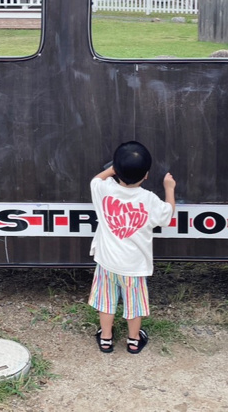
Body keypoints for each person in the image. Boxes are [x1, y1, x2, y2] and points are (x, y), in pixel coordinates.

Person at [87, 141, 175, 355]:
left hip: (107, 263)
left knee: (106, 303)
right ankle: (133, 340)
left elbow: (96, 179)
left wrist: (113, 169)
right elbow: (167, 215)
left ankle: (106, 339)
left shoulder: (103, 190)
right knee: (134, 306)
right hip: (134, 268)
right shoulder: (149, 199)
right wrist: (169, 189)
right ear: (146, 175)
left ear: (115, 170)